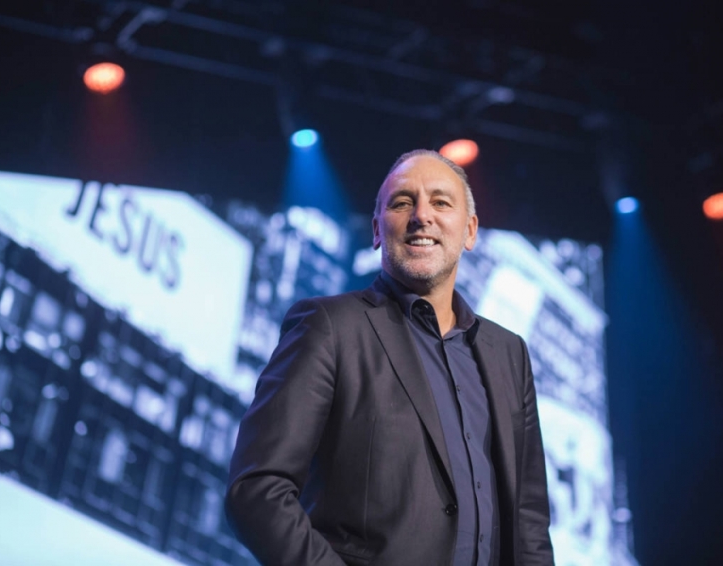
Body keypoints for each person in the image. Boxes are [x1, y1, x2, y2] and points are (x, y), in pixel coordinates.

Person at [225, 150, 554, 565]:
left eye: (441, 202)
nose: (422, 216)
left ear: (469, 231)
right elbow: (257, 488)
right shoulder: (329, 326)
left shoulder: (509, 353)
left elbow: (529, 522)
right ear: (378, 229)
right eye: (402, 202)